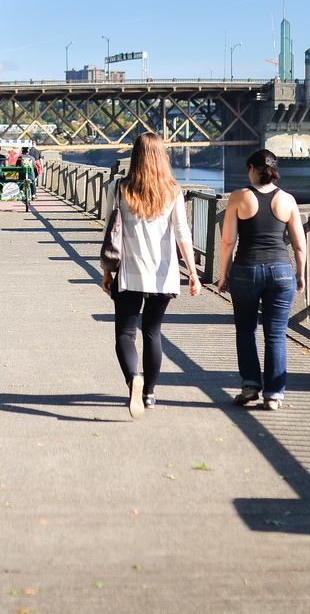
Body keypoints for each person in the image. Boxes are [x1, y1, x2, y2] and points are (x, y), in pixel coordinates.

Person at [103, 132, 202, 418]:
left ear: (135, 156)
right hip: (163, 275)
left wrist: (106, 271)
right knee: (153, 332)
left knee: (125, 333)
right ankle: (149, 394)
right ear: (162, 157)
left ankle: (134, 376)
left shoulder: (119, 188)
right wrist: (193, 274)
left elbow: (110, 232)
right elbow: (183, 234)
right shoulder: (173, 190)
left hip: (128, 274)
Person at [216, 149, 307, 411]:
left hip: (246, 270)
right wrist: (300, 273)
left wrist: (224, 273)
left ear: (252, 169)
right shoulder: (287, 200)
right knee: (276, 335)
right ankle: (274, 394)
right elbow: (299, 244)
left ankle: (251, 384)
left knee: (246, 330)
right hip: (281, 271)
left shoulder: (239, 197)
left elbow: (228, 241)